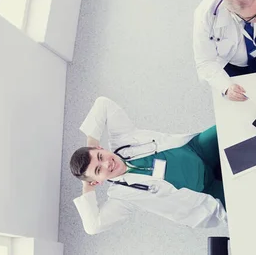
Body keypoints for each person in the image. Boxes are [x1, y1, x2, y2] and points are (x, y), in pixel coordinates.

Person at [70, 97, 227, 235]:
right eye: (98, 170)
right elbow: (92, 227)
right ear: (97, 182)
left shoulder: (122, 138)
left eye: (100, 156)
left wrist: (91, 144)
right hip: (205, 193)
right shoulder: (121, 197)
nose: (107, 163)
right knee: (245, 199)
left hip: (198, 149)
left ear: (100, 149)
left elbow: (103, 104)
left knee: (233, 124)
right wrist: (87, 186)